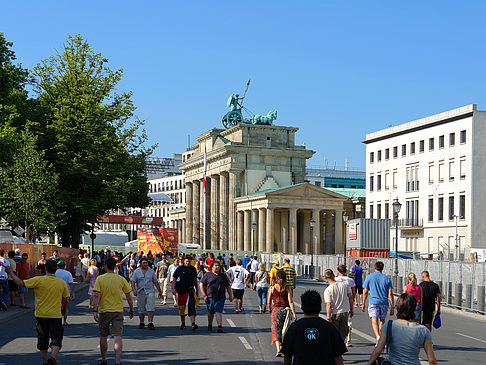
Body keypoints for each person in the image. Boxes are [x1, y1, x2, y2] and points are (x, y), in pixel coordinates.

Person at [6, 259, 69, 365]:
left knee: (42, 339)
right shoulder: (61, 283)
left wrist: (10, 272)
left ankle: (45, 362)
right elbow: (66, 299)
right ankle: (52, 357)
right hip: (55, 315)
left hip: (41, 315)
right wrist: (63, 309)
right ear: (56, 269)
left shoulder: (38, 280)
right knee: (57, 338)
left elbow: (20, 283)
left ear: (45, 269)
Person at [367, 293, 438, 365]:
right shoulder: (423, 330)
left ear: (397, 307)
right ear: (415, 308)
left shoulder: (389, 325)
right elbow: (431, 360)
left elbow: (378, 350)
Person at [281, 290, 347, 365]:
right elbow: (338, 356)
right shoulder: (329, 328)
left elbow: (287, 355)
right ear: (320, 307)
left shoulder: (294, 328)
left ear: (302, 307)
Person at [92, 257, 134, 365]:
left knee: (103, 336)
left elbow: (96, 295)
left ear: (105, 266)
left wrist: (95, 310)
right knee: (118, 336)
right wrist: (131, 308)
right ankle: (117, 361)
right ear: (115, 266)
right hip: (118, 311)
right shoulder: (121, 279)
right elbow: (129, 296)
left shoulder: (100, 279)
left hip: (104, 311)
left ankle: (104, 359)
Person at [362, 261, 394, 343]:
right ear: (382, 268)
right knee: (382, 320)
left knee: (374, 319)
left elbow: (365, 291)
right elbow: (390, 293)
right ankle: (381, 336)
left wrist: (363, 303)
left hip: (373, 301)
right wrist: (392, 306)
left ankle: (378, 336)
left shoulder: (369, 277)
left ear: (374, 268)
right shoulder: (387, 279)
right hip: (384, 301)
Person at [268, 269, 297, 357]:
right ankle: (284, 346)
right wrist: (294, 313)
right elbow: (291, 302)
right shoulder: (287, 288)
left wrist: (269, 309)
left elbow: (269, 301)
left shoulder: (272, 288)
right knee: (285, 330)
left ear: (276, 277)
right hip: (286, 311)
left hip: (276, 310)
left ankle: (278, 349)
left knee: (276, 330)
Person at [200, 261, 233, 332]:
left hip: (220, 297)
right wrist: (204, 295)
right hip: (210, 297)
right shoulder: (208, 275)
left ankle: (219, 326)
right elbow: (201, 284)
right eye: (216, 265)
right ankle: (210, 324)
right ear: (212, 267)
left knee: (218, 311)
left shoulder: (223, 276)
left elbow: (228, 286)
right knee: (211, 312)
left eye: (218, 266)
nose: (217, 267)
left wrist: (230, 295)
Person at [131, 257, 163, 330]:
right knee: (141, 309)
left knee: (150, 307)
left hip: (150, 291)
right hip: (140, 291)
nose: (145, 264)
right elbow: (133, 281)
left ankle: (150, 322)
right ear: (140, 264)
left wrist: (160, 292)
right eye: (144, 263)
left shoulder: (151, 271)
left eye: (146, 263)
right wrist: (134, 290)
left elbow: (155, 282)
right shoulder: (136, 271)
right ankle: (141, 322)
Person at [323, 269, 354, 342]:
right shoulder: (344, 285)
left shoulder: (328, 290)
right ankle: (340, 347)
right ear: (333, 275)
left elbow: (329, 305)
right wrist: (351, 309)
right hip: (345, 311)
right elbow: (350, 298)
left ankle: (336, 350)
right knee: (342, 334)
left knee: (334, 334)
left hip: (335, 313)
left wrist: (328, 317)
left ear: (325, 278)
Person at [172, 256, 199, 331]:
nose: (188, 263)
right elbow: (174, 278)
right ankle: (183, 323)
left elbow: (195, 280)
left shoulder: (193, 269)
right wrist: (173, 288)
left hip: (190, 290)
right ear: (184, 261)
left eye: (189, 261)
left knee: (191, 307)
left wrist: (197, 291)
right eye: (186, 261)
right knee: (182, 307)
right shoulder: (180, 269)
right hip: (181, 290)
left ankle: (193, 323)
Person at [335, 264, 356, 346]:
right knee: (349, 322)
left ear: (338, 271)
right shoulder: (350, 280)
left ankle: (338, 340)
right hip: (347, 303)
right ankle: (349, 339)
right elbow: (353, 293)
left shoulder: (335, 279)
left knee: (337, 322)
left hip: (337, 303)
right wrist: (353, 302)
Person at [55, 260, 75, 325]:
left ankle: (58, 320)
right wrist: (73, 293)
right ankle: (64, 321)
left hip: (56, 293)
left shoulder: (55, 273)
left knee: (57, 307)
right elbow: (71, 284)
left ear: (58, 266)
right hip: (66, 293)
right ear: (65, 266)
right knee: (65, 308)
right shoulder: (68, 273)